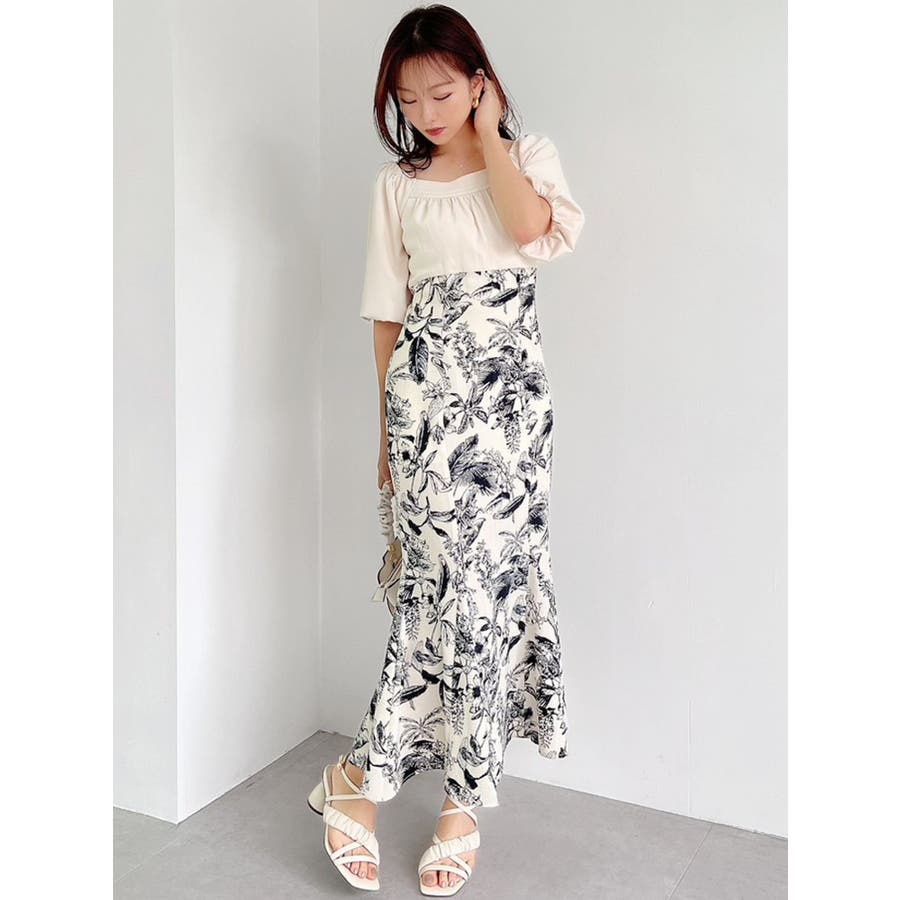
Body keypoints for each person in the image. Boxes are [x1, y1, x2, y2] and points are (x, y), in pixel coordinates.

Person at [308, 5, 585, 894]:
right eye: (407, 97)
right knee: (438, 595)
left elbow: (532, 230)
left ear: (477, 82)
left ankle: (419, 796)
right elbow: (387, 315)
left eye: (441, 92)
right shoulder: (399, 186)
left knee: (493, 594)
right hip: (426, 412)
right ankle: (375, 784)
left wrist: (493, 135)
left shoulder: (526, 157)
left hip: (512, 419)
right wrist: (385, 439)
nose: (425, 113)